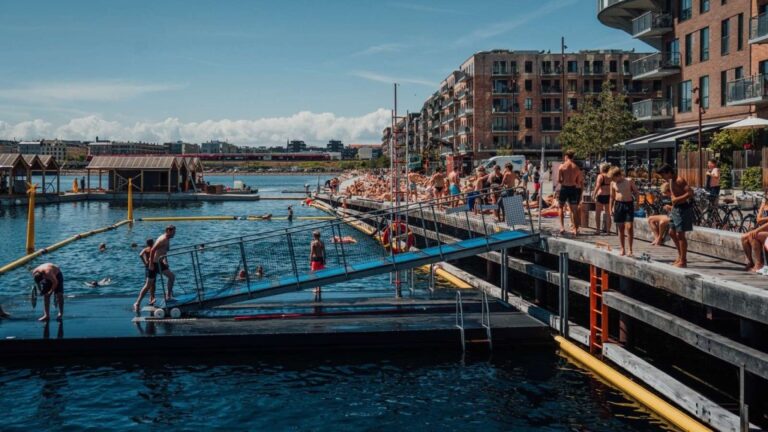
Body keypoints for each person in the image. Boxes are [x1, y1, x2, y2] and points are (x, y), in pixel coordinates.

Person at [657, 164, 693, 268]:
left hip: (683, 208)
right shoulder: (670, 180)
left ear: (669, 172)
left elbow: (690, 193)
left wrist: (677, 199)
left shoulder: (679, 180)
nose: (663, 178)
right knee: (672, 232)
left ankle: (683, 260)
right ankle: (680, 255)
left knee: (680, 235)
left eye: (663, 175)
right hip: (676, 209)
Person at [609, 167, 638, 256]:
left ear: (618, 175)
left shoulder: (629, 181)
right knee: (620, 228)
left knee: (629, 227)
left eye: (613, 177)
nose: (613, 180)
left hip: (628, 204)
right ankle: (622, 248)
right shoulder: (613, 183)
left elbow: (636, 192)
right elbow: (612, 196)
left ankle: (630, 249)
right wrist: (610, 208)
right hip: (618, 205)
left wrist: (637, 203)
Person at [558, 150, 583, 235]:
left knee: (561, 207)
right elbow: (578, 181)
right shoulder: (576, 167)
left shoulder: (562, 166)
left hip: (564, 188)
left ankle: (562, 227)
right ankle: (575, 229)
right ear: (573, 157)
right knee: (574, 210)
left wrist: (564, 182)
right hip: (573, 188)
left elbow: (559, 180)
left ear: (566, 156)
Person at [741, 194, 768, 271]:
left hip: (764, 230)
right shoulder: (764, 203)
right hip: (763, 229)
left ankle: (759, 263)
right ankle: (751, 262)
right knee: (744, 238)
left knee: (753, 236)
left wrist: (757, 230)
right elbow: (758, 219)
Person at [148, 225, 177, 301]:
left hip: (160, 262)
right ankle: (168, 296)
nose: (175, 233)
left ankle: (168, 295)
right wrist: (151, 264)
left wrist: (165, 261)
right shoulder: (163, 239)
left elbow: (163, 251)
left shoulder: (167, 238)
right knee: (171, 277)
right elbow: (153, 250)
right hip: (155, 263)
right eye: (174, 232)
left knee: (171, 277)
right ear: (168, 231)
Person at [133, 239, 156, 312]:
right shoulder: (151, 249)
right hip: (150, 267)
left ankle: (152, 298)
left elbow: (140, 255)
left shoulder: (145, 249)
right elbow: (140, 254)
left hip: (148, 267)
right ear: (152, 242)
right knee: (150, 284)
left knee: (151, 283)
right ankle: (151, 298)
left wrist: (144, 262)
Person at [592, 163, 612, 235]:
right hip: (608, 196)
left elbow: (597, 186)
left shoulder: (600, 176)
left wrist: (594, 194)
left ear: (602, 169)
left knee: (598, 213)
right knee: (608, 214)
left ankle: (598, 230)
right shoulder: (610, 176)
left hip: (601, 196)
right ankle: (608, 231)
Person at [310, 230, 326, 302]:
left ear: (314, 236)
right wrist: (324, 260)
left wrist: (310, 261)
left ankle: (315, 289)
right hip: (321, 259)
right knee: (320, 275)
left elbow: (312, 252)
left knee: (314, 275)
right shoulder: (322, 242)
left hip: (315, 259)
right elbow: (324, 252)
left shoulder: (313, 242)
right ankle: (319, 289)